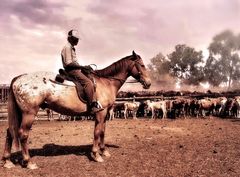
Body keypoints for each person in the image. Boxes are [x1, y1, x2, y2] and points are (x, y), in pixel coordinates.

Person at [61, 29, 103, 113]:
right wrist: (82, 67)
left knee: (92, 79)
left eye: (77, 39)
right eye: (75, 38)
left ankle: (94, 101)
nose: (77, 40)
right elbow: (69, 63)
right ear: (70, 38)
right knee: (88, 83)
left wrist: (83, 68)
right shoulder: (67, 47)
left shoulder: (71, 48)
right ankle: (91, 107)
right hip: (72, 71)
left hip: (76, 69)